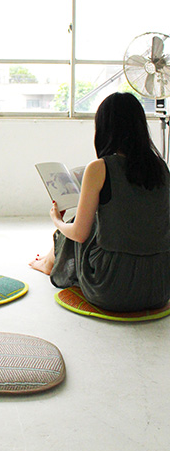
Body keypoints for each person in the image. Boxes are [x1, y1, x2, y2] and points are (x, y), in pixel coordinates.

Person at [29, 92, 170, 312]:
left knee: (77, 224)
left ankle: (49, 263)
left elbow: (79, 234)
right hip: (159, 288)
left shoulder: (100, 167)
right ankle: (49, 260)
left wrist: (56, 220)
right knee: (99, 221)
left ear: (105, 128)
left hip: (112, 289)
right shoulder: (161, 167)